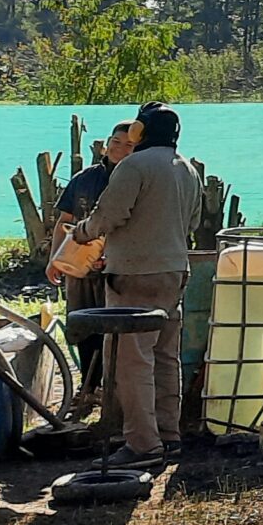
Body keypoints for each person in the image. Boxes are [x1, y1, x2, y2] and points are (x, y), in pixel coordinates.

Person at [70, 102, 200, 468]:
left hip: (135, 276)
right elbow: (192, 222)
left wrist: (82, 233)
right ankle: (168, 436)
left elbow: (108, 216)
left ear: (140, 132)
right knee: (164, 355)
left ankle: (143, 445)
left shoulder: (133, 166)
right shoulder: (187, 169)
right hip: (174, 271)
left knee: (131, 361)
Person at [49, 122, 136, 405]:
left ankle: (114, 392)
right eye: (116, 142)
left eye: (129, 145)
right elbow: (64, 223)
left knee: (115, 331)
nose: (120, 149)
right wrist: (56, 260)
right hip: (80, 269)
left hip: (120, 269)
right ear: (106, 143)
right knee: (83, 325)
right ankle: (87, 387)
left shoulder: (137, 180)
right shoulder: (84, 179)